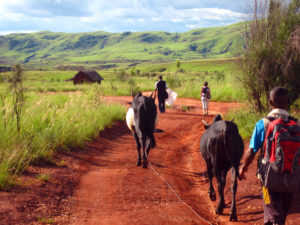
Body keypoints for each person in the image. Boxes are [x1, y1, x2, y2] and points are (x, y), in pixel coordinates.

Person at [239, 87, 299, 225]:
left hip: (269, 181)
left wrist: (243, 168)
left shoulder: (264, 123)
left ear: (270, 103)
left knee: (276, 218)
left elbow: (252, 151)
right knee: (278, 216)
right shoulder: (296, 125)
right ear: (288, 102)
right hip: (291, 180)